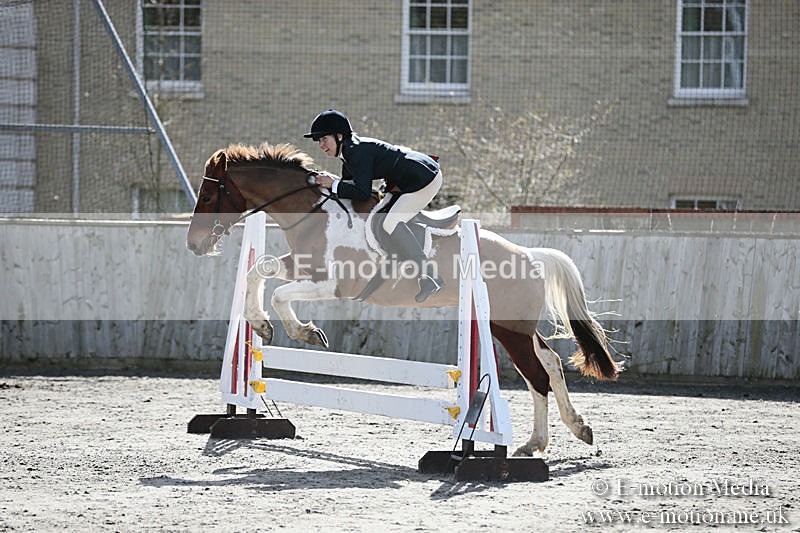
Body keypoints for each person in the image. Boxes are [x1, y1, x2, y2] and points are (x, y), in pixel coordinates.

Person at [304, 109, 445, 303]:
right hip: (404, 177)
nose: (321, 146)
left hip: (423, 178)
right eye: (318, 141)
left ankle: (429, 277)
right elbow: (349, 186)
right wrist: (331, 182)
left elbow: (361, 192)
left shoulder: (356, 152)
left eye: (323, 139)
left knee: (391, 222)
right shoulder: (348, 152)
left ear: (339, 136)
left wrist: (333, 183)